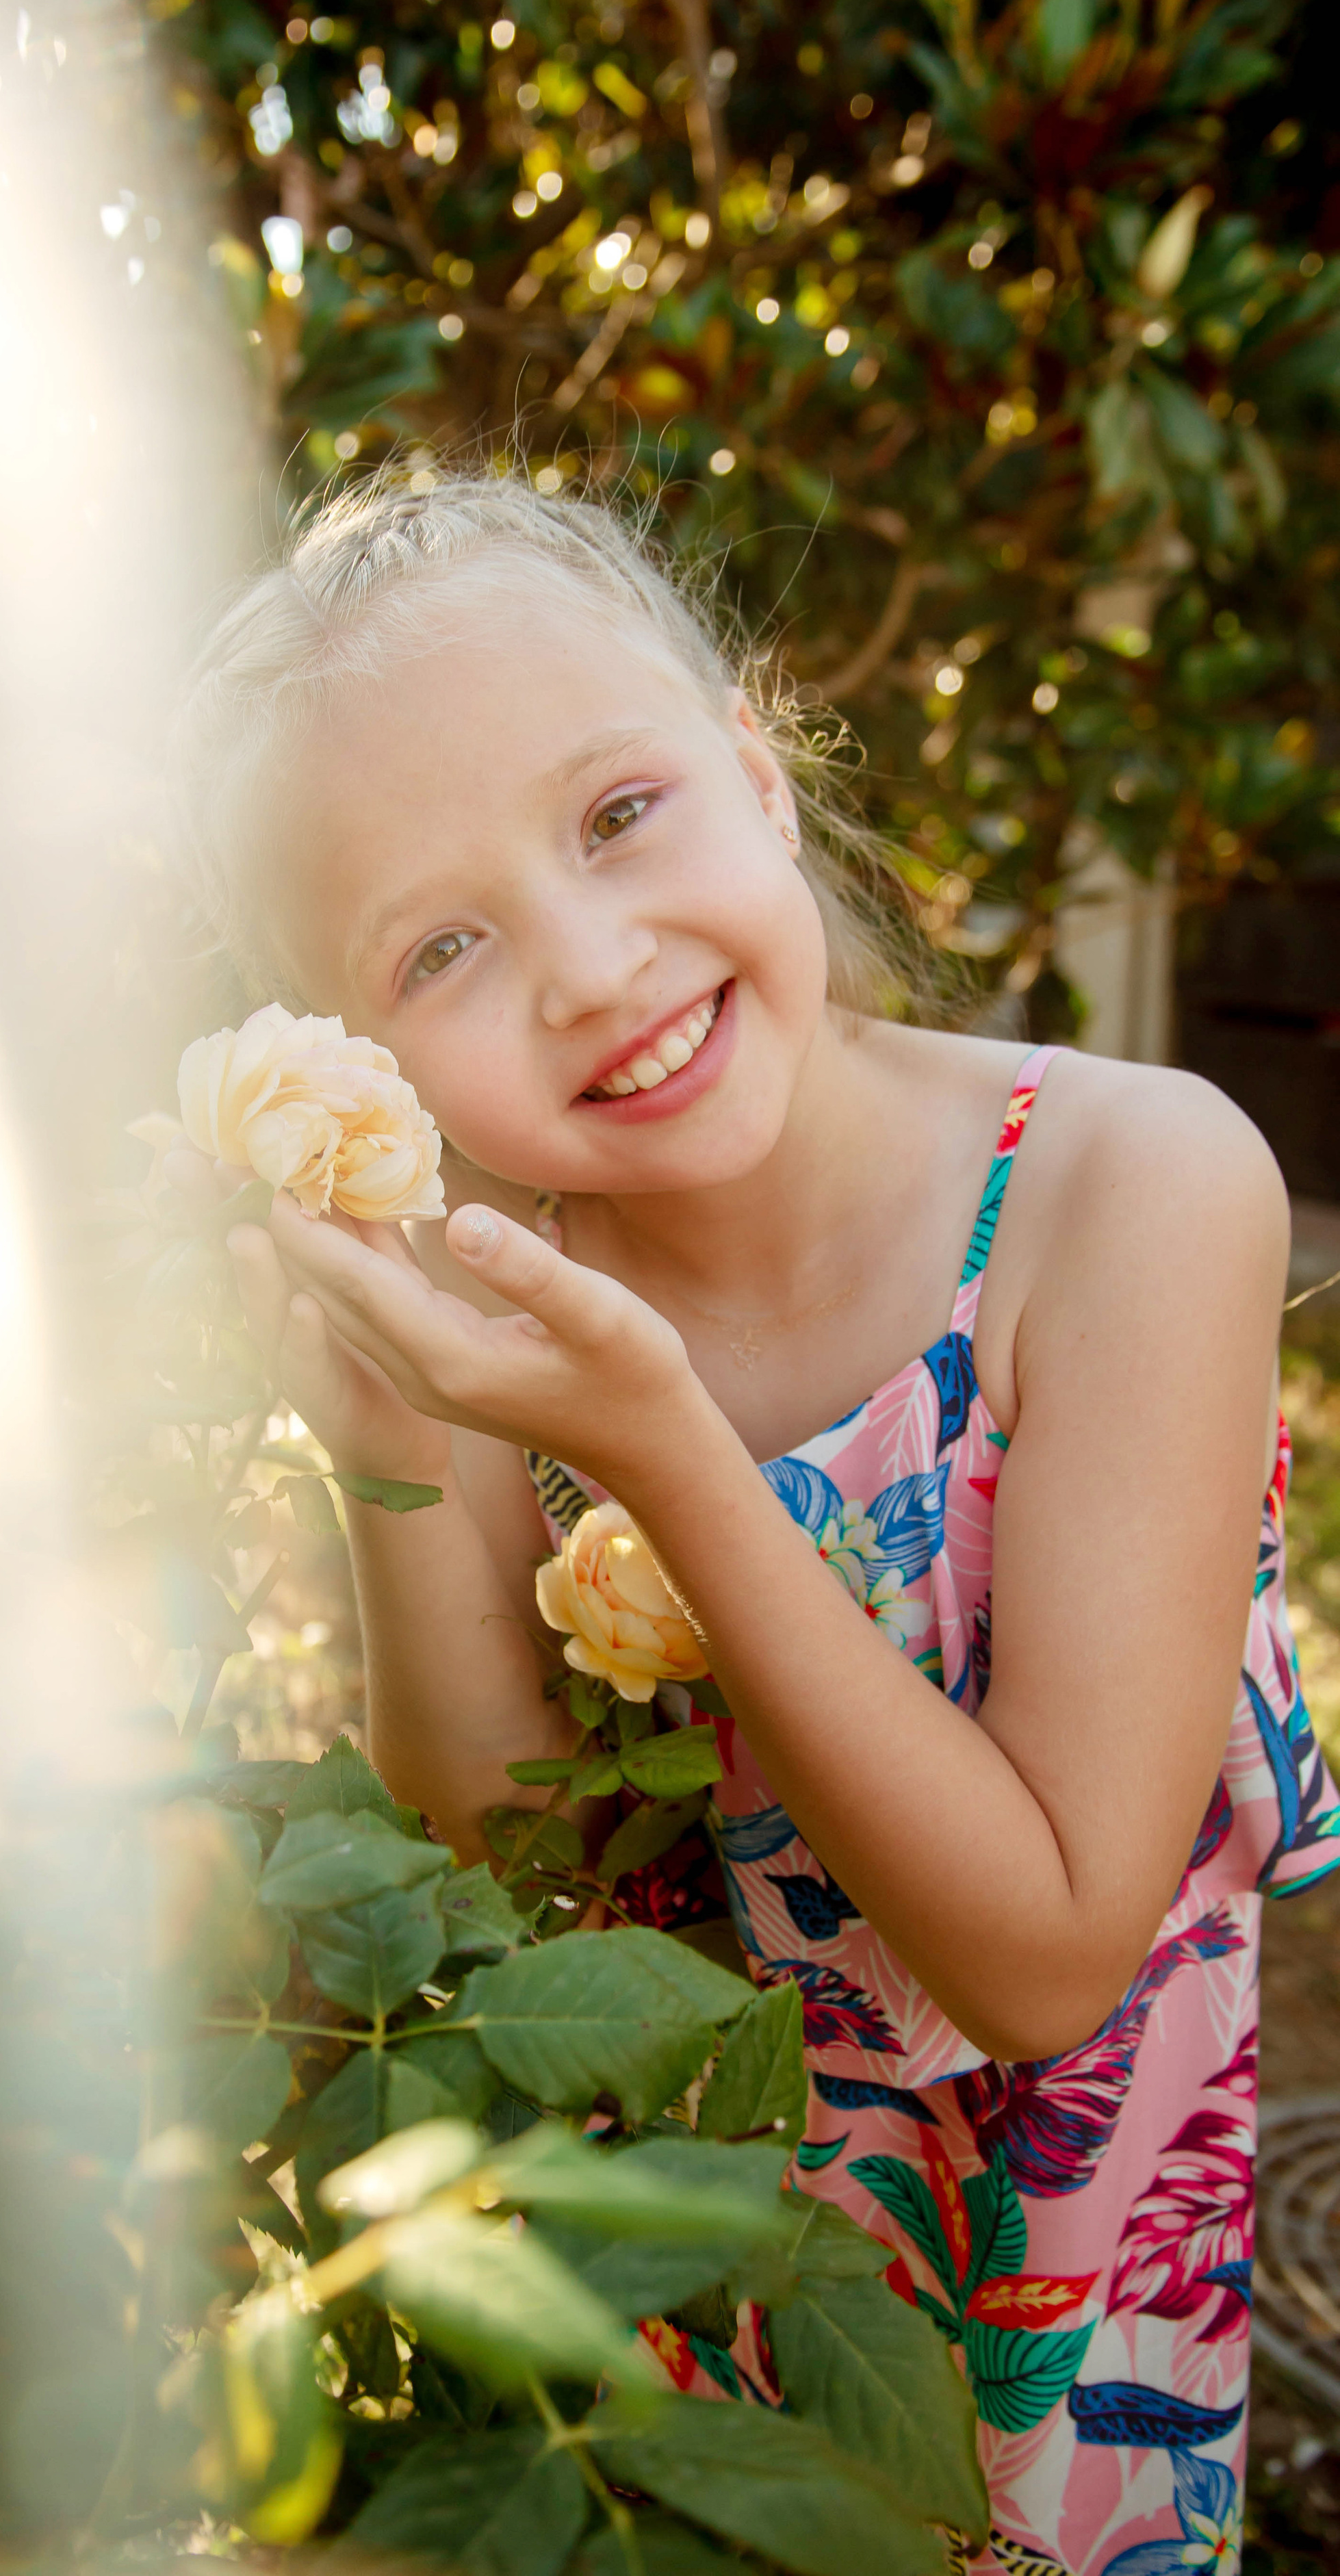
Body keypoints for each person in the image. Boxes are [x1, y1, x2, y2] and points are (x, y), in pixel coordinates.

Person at [169, 470, 1340, 2576]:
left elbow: (1049, 1957)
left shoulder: (1131, 1193)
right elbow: (498, 1845)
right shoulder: (496, 1309)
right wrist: (391, 1429)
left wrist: (667, 1456)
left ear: (759, 772)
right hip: (672, 2315)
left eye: (619, 814)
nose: (594, 965)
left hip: (1040, 2335)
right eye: (443, 946)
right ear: (363, 1057)